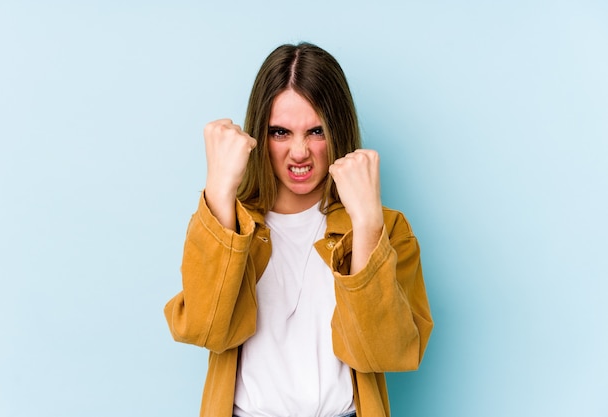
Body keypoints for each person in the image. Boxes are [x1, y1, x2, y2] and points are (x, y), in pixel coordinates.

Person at [164, 42, 433, 417]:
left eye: (316, 131)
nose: (300, 152)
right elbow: (203, 329)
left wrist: (368, 224)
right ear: (260, 133)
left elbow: (387, 352)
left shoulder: (386, 228)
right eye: (280, 132)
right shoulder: (229, 223)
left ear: (338, 130)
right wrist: (219, 192)